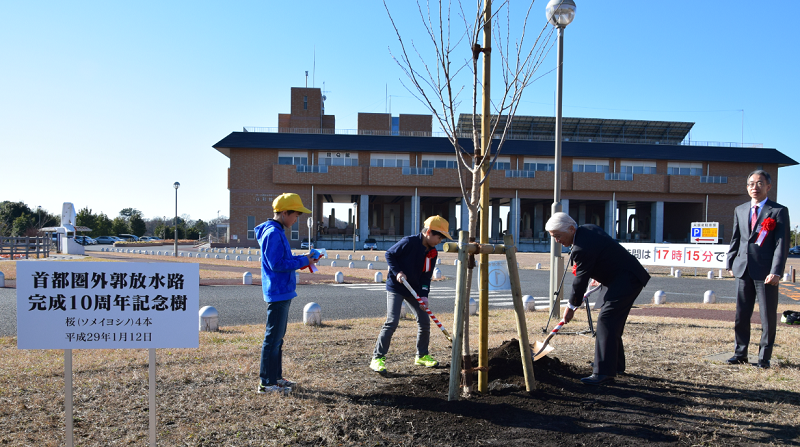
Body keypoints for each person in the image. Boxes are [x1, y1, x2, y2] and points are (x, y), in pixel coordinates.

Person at [546, 212, 650, 386]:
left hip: (626, 280)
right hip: (619, 277)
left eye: (558, 236)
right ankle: (614, 365)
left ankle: (603, 372)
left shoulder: (581, 248)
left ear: (571, 229)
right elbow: (604, 251)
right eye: (553, 237)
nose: (556, 240)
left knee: (607, 320)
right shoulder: (588, 229)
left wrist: (571, 307)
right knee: (611, 322)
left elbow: (580, 280)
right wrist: (599, 271)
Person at [370, 215, 452, 374]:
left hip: (414, 290)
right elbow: (390, 255)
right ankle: (377, 358)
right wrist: (397, 272)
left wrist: (424, 295)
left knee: (424, 320)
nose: (440, 241)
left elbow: (426, 276)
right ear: (428, 232)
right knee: (392, 321)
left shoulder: (432, 253)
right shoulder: (409, 242)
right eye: (439, 237)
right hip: (397, 286)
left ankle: (421, 355)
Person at [726, 170, 790, 369]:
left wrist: (776, 271)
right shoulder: (740, 209)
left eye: (760, 183)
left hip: (767, 273)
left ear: (769, 187)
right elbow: (736, 238)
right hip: (743, 269)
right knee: (741, 314)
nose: (755, 187)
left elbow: (782, 244)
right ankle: (740, 353)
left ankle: (764, 358)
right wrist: (730, 262)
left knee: (768, 317)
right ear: (747, 187)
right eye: (751, 184)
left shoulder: (778, 211)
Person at [255, 193, 318, 394]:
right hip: (278, 291)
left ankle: (275, 378)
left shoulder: (277, 231)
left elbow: (284, 259)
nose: (296, 219)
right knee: (272, 338)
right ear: (284, 213)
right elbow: (277, 264)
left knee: (277, 338)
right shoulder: (273, 233)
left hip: (283, 290)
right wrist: (303, 261)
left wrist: (304, 258)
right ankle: (266, 383)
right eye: (295, 215)